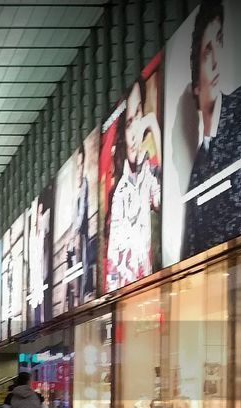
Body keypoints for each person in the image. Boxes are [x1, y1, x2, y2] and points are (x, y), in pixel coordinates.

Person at [180, 0, 241, 260]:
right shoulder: (197, 174)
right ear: (195, 84)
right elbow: (189, 257)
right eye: (206, 53)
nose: (215, 61)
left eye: (220, 42)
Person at [106, 81, 162, 291]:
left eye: (138, 114)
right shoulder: (120, 192)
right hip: (127, 294)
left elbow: (162, 200)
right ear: (122, 133)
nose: (135, 130)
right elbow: (113, 267)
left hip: (146, 290)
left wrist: (154, 126)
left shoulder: (148, 171)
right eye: (129, 123)